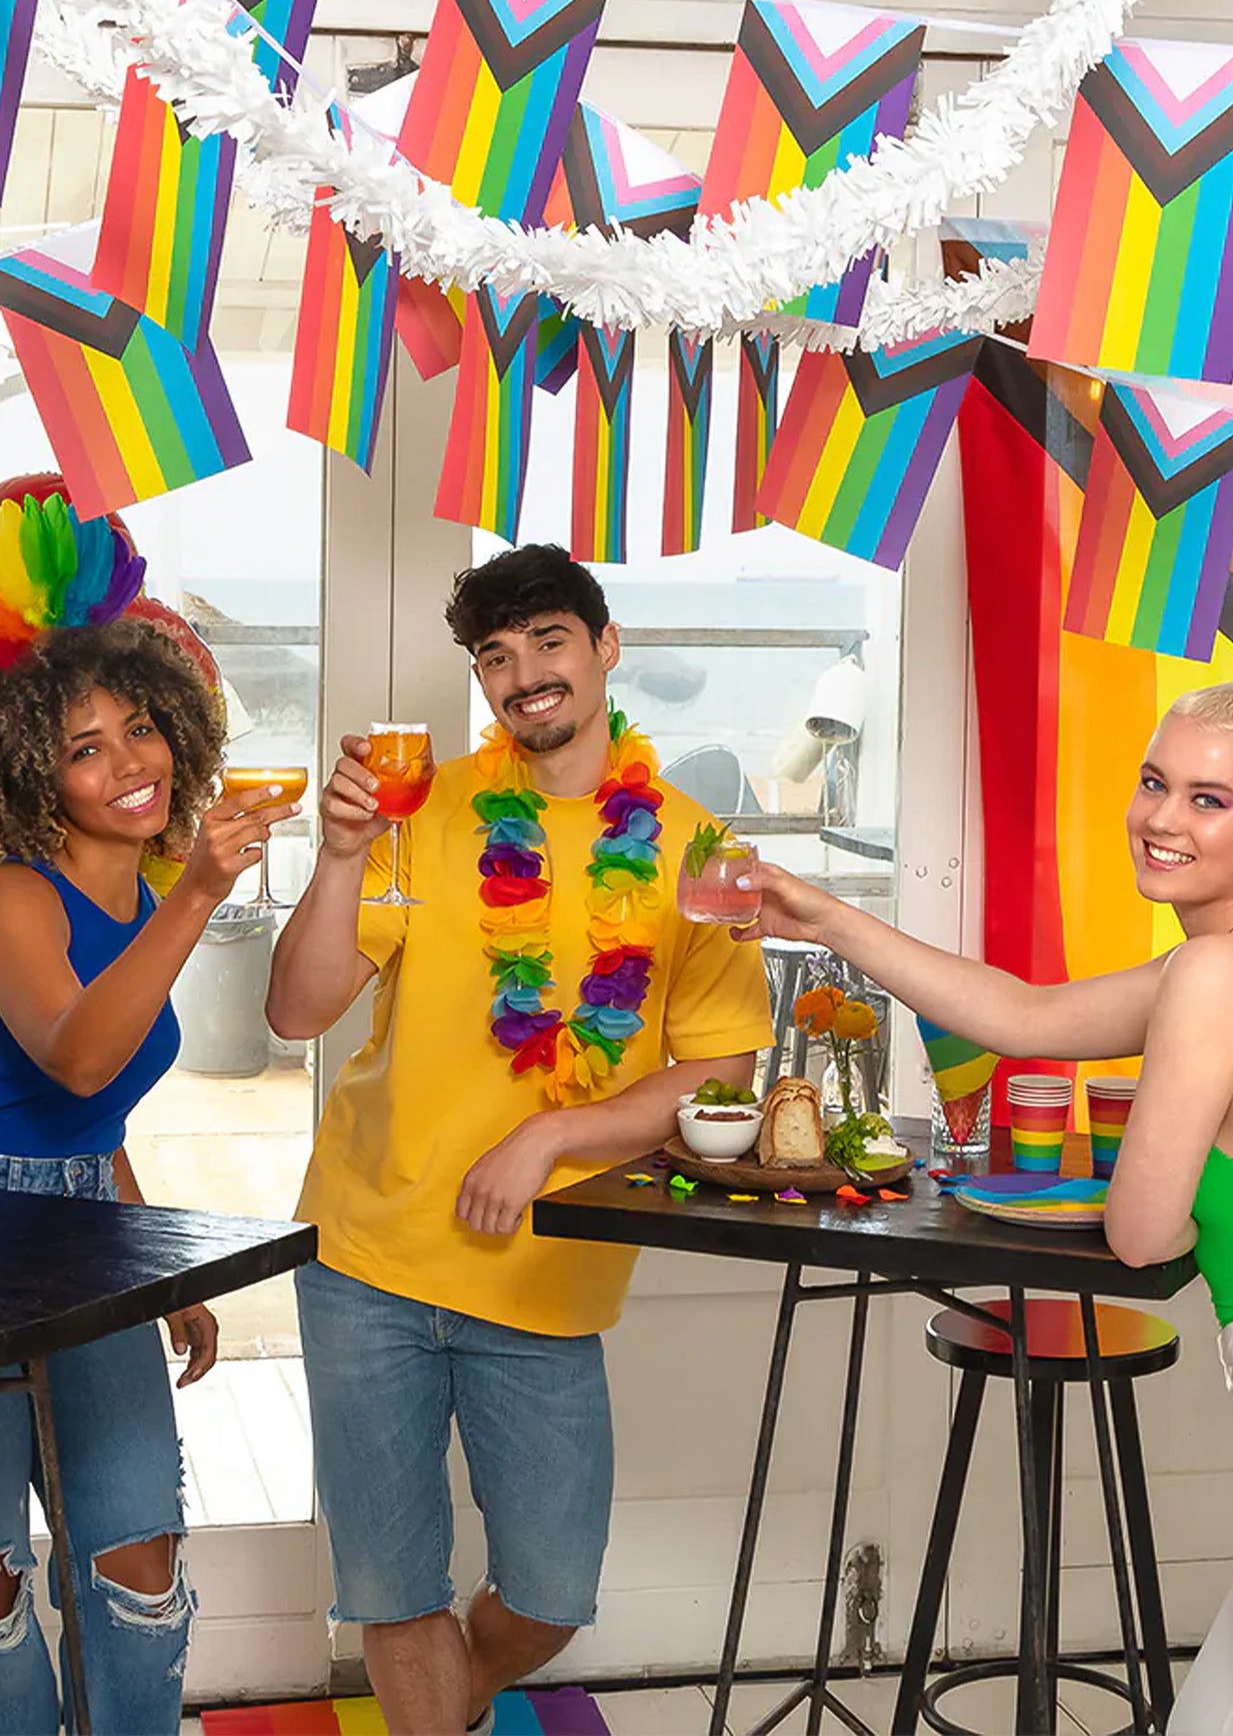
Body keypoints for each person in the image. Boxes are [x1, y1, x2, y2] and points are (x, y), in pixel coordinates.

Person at [737, 678, 1233, 1735]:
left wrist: (1162, 1178)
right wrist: (821, 915)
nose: (1162, 819)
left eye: (1208, 800)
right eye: (1153, 783)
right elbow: (1022, 1014)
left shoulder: (1215, 979)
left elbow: (1139, 1233)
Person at [268, 544, 773, 1735]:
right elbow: (297, 1010)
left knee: (547, 1595)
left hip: (547, 1276)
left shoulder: (693, 847)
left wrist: (558, 1138)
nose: (523, 673)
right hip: (369, 1250)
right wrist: (340, 854)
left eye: (548, 641)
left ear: (606, 648)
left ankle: (445, 1706)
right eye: (495, 655)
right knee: (394, 1590)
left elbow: (723, 1070)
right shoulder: (421, 810)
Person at [0, 618, 299, 1734]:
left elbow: (90, 1117)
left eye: (140, 727)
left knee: (138, 1555)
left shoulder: (138, 897)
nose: (129, 759)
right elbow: (78, 1053)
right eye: (84, 746)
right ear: (28, 769)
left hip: (85, 1231)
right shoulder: (10, 898)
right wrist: (198, 894)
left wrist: (159, 1265)